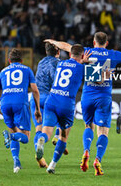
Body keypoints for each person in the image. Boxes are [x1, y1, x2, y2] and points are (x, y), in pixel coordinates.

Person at [45, 31, 121, 175]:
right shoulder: (113, 54)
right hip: (104, 96)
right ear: (106, 43)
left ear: (94, 42)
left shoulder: (87, 51)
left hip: (87, 96)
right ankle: (97, 160)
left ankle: (86, 151)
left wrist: (53, 42)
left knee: (88, 125)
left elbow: (66, 47)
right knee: (103, 131)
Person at [35, 44, 91, 174]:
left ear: (70, 55)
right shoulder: (82, 68)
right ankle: (52, 165)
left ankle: (42, 139)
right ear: (82, 56)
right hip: (66, 105)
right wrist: (86, 63)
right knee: (63, 136)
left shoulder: (60, 64)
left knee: (47, 132)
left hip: (52, 100)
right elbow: (97, 81)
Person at [0, 48, 42, 173]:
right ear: (22, 60)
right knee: (25, 137)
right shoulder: (27, 70)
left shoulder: (2, 71)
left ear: (9, 60)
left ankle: (16, 161)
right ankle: (10, 136)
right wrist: (37, 109)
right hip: (20, 103)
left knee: (14, 132)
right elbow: (35, 90)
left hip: (5, 104)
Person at [29, 42, 62, 168]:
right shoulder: (57, 63)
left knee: (38, 129)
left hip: (36, 98)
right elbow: (56, 79)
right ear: (57, 52)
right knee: (58, 120)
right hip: (49, 98)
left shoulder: (41, 62)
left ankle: (40, 158)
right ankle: (57, 135)